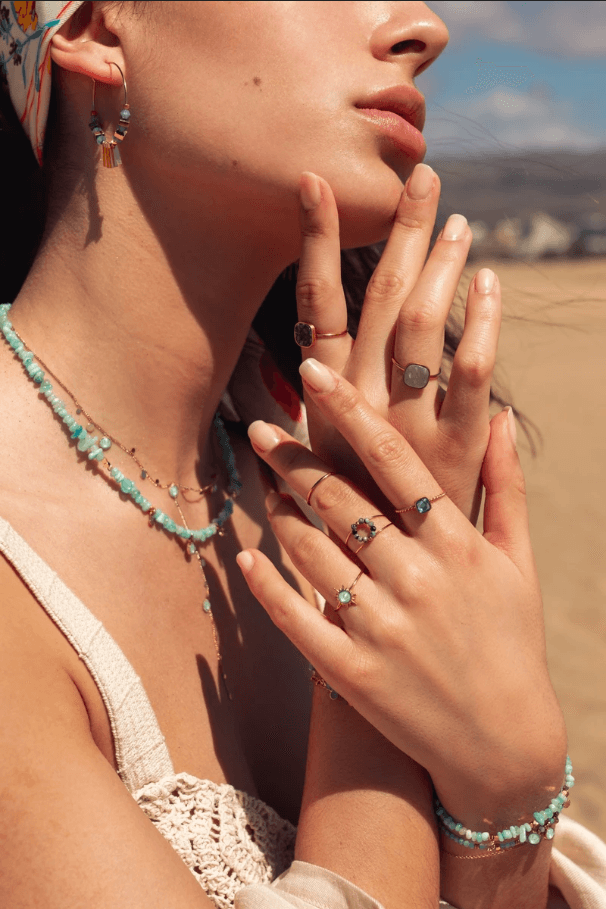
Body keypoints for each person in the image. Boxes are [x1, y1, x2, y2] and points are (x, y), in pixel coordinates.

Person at [0, 2, 604, 907]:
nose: (426, 28)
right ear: (94, 31)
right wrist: (389, 714)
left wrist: (506, 806)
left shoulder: (294, 465)